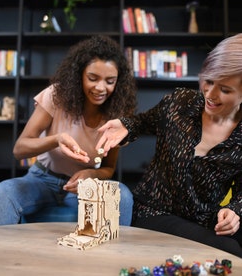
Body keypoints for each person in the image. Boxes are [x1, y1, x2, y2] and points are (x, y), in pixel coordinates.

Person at [96, 33, 242, 257]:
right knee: (230, 251)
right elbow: (142, 122)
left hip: (206, 219)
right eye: (209, 81)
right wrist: (126, 126)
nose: (210, 95)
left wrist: (234, 211)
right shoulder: (180, 102)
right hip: (154, 212)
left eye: (225, 89)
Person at [0, 35, 137, 227]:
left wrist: (90, 174)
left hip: (83, 185)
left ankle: (114, 257)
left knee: (123, 196)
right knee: (2, 192)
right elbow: (19, 149)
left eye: (110, 81)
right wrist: (56, 140)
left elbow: (109, 168)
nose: (100, 87)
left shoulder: (118, 115)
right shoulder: (57, 95)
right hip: (41, 179)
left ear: (118, 83)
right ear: (79, 75)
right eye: (92, 78)